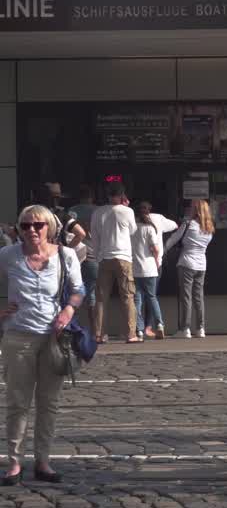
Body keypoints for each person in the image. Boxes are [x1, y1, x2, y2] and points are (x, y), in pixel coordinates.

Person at [0, 205, 85, 485]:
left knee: (49, 403)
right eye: (25, 226)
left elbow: (78, 289)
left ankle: (43, 461)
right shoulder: (8, 255)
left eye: (38, 225)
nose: (32, 231)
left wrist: (68, 312)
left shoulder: (66, 254)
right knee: (17, 402)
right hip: (18, 337)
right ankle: (14, 462)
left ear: (49, 226)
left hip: (53, 339)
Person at [89, 183, 138, 344]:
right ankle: (130, 334)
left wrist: (98, 256)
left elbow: (94, 237)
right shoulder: (127, 211)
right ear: (122, 195)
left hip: (104, 257)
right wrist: (126, 207)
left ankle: (99, 334)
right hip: (123, 257)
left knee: (101, 298)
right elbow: (133, 231)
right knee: (128, 297)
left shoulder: (98, 212)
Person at [165, 199, 215, 338]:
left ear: (197, 210)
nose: (189, 209)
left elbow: (173, 239)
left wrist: (161, 252)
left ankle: (184, 329)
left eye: (192, 207)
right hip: (201, 265)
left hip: (187, 263)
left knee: (186, 297)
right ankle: (200, 328)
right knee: (199, 298)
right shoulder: (209, 228)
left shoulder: (188, 224)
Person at [67, 186, 100, 341]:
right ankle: (95, 332)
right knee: (92, 295)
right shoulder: (98, 211)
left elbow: (67, 232)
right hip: (94, 255)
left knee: (74, 293)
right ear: (92, 197)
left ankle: (74, 328)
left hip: (76, 256)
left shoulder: (72, 211)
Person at [131, 202, 165, 340]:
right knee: (152, 297)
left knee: (137, 299)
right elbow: (156, 249)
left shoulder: (131, 229)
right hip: (150, 267)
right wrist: (157, 260)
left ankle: (139, 330)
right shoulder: (150, 228)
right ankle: (160, 325)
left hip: (135, 268)